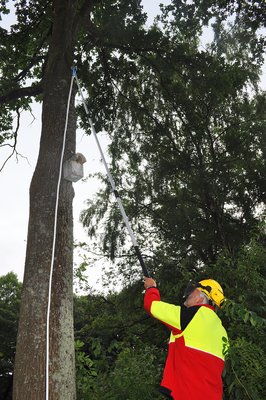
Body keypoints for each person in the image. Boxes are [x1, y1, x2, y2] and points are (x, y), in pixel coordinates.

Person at [144, 277, 229, 400]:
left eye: (193, 291)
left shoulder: (191, 315)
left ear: (201, 297)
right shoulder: (222, 331)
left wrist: (151, 288)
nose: (188, 294)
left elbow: (151, 305)